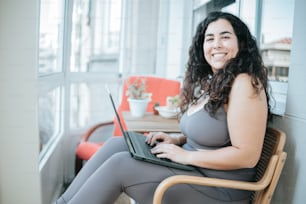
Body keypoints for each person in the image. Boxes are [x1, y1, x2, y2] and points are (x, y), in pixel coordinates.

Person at [55, 11, 271, 204]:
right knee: (117, 144)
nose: (216, 44)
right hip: (194, 172)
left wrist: (185, 156)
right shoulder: (217, 83)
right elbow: (217, 135)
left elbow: (247, 156)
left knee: (121, 164)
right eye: (209, 38)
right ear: (202, 47)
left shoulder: (244, 82)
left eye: (225, 37)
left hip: (220, 189)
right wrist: (176, 140)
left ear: (241, 44)